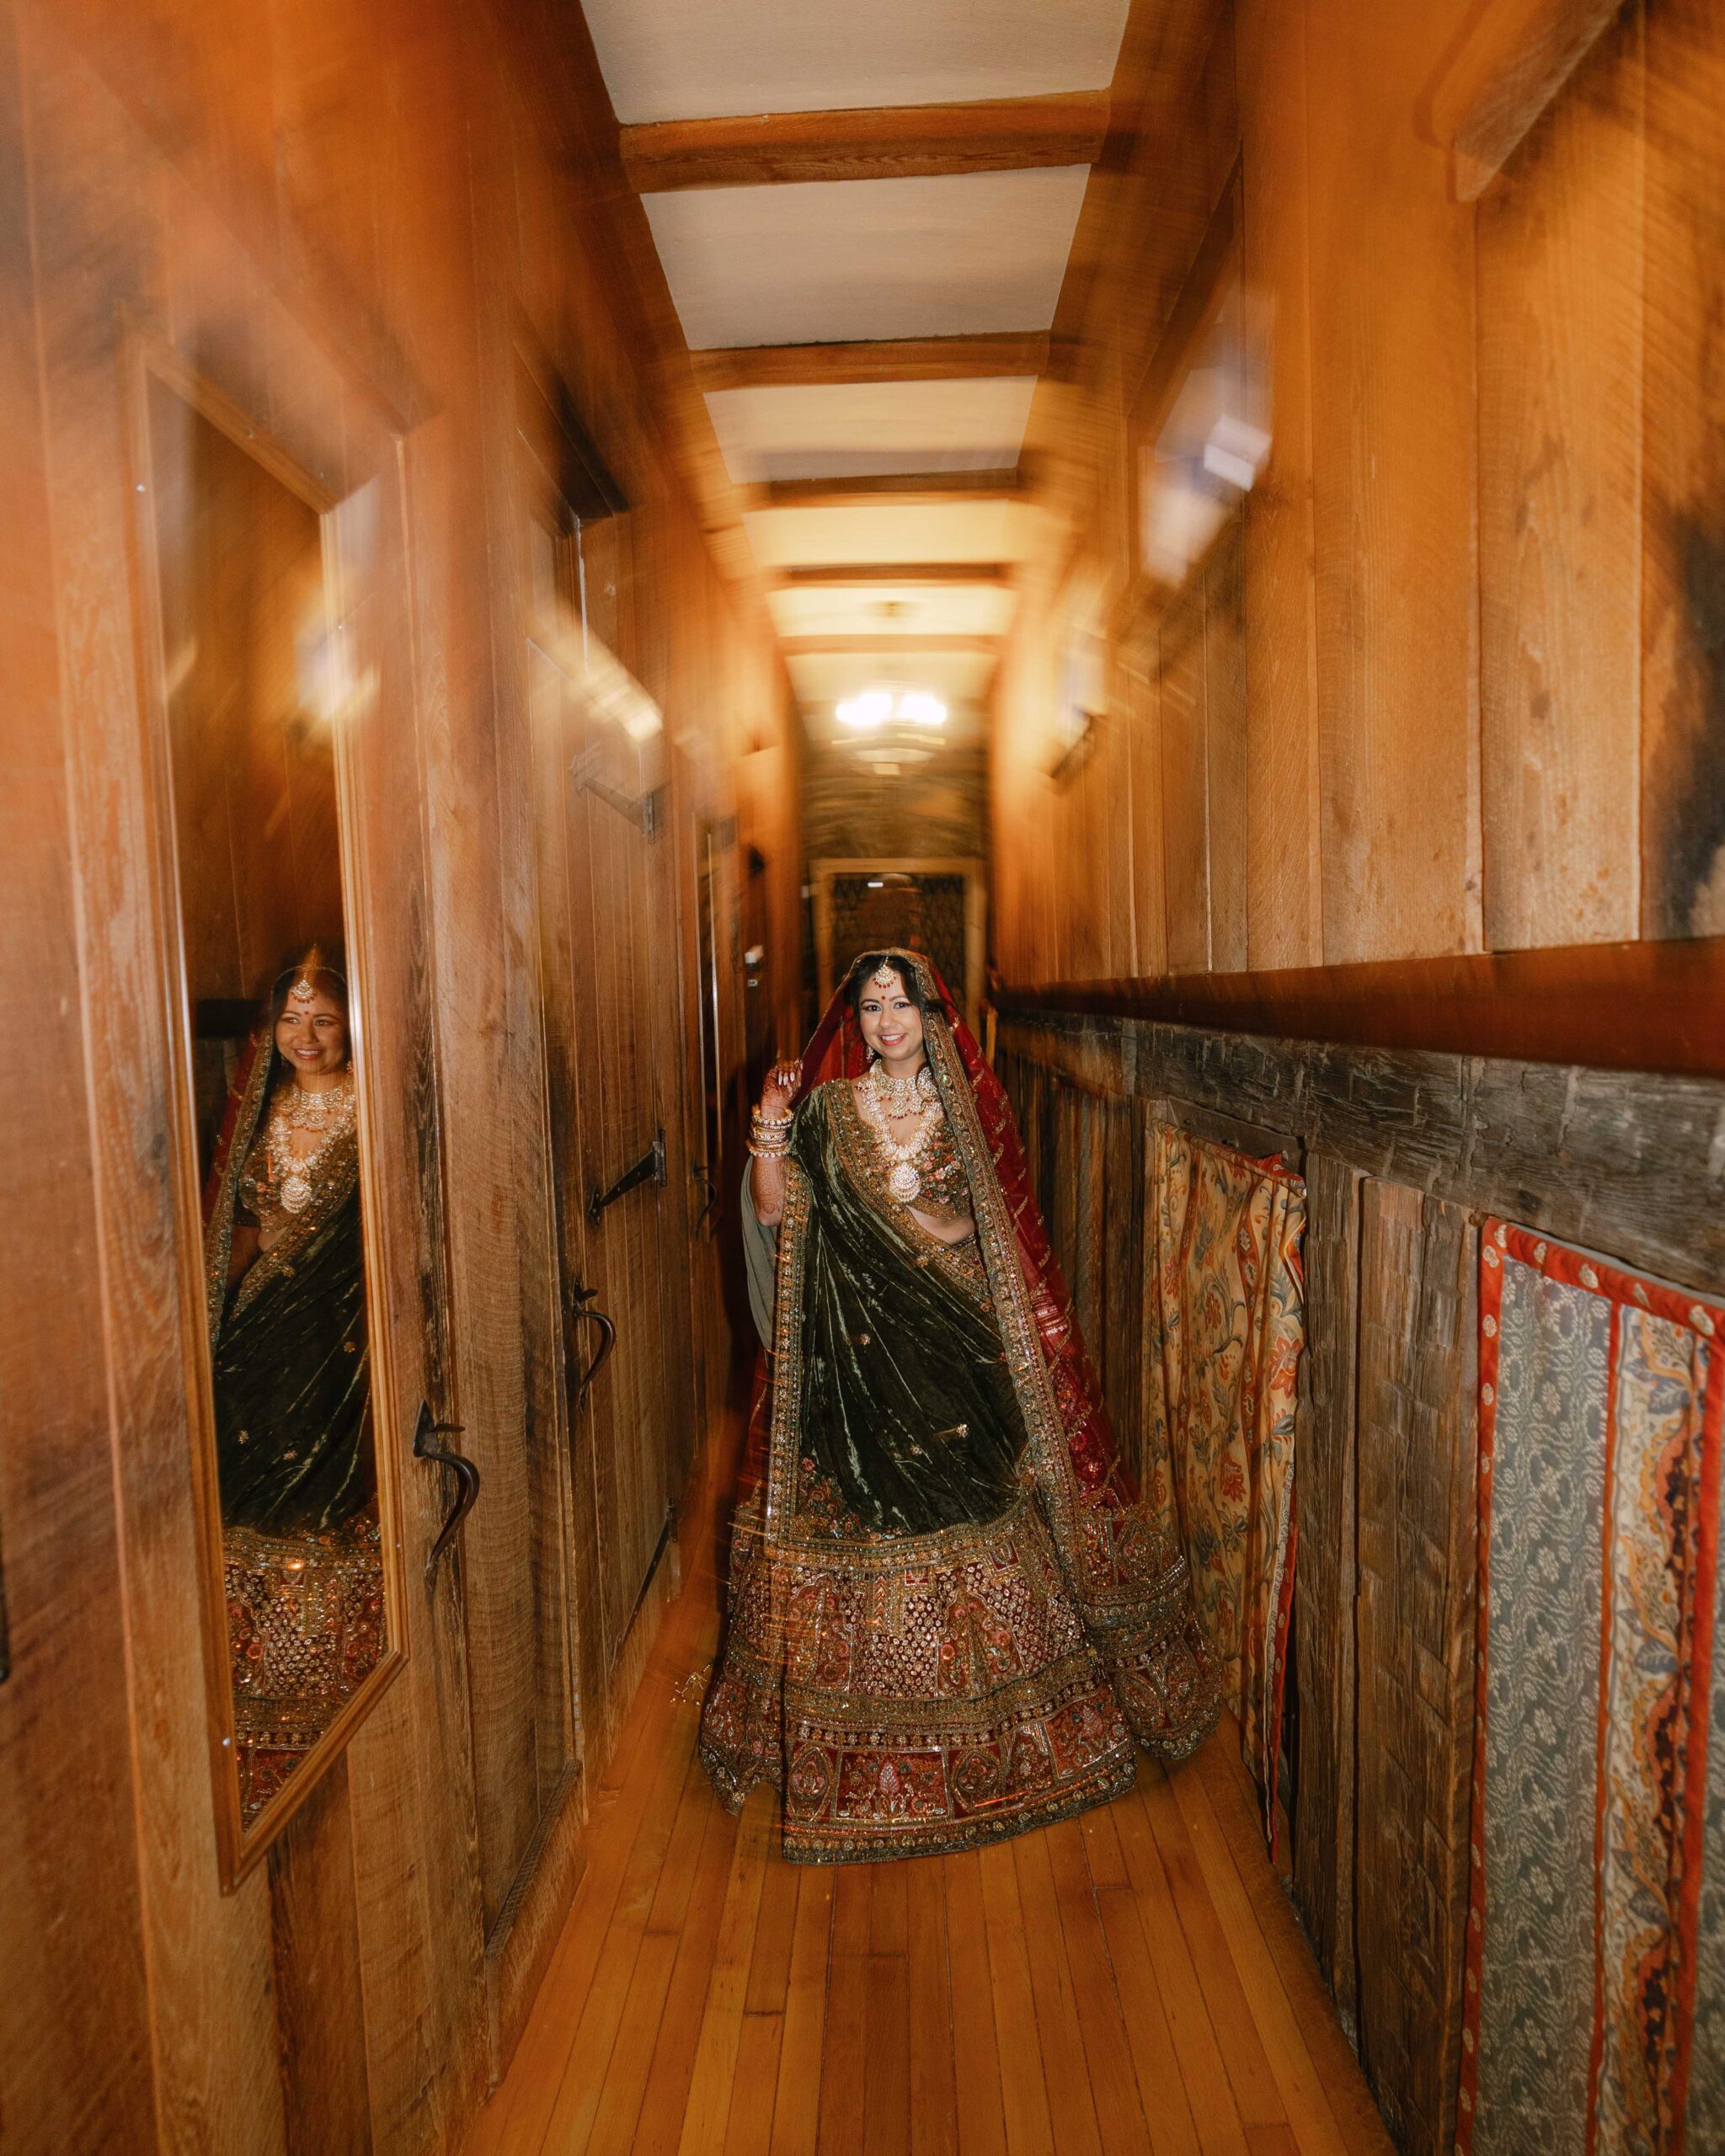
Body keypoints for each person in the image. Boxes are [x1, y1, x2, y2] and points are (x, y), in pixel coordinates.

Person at [700, 948, 1218, 1862]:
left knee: (980, 1508)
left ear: (934, 1015)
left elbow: (1001, 1227)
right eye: (869, 1006)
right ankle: (858, 1742)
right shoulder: (826, 1110)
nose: (886, 1020)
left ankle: (1002, 1733)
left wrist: (932, 1241)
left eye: (900, 1003)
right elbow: (780, 1220)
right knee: (860, 1524)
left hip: (956, 1349)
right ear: (853, 1023)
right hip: (856, 1363)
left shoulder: (971, 1113)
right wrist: (770, 1128)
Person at [201, 944, 383, 1822]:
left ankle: (331, 1666)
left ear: (350, 1024)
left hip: (340, 1338)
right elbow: (238, 1223)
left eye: (322, 1018)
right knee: (248, 1485)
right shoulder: (256, 1111)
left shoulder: (369, 1114)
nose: (305, 1035)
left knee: (324, 1496)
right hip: (263, 1326)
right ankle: (253, 1669)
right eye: (289, 1018)